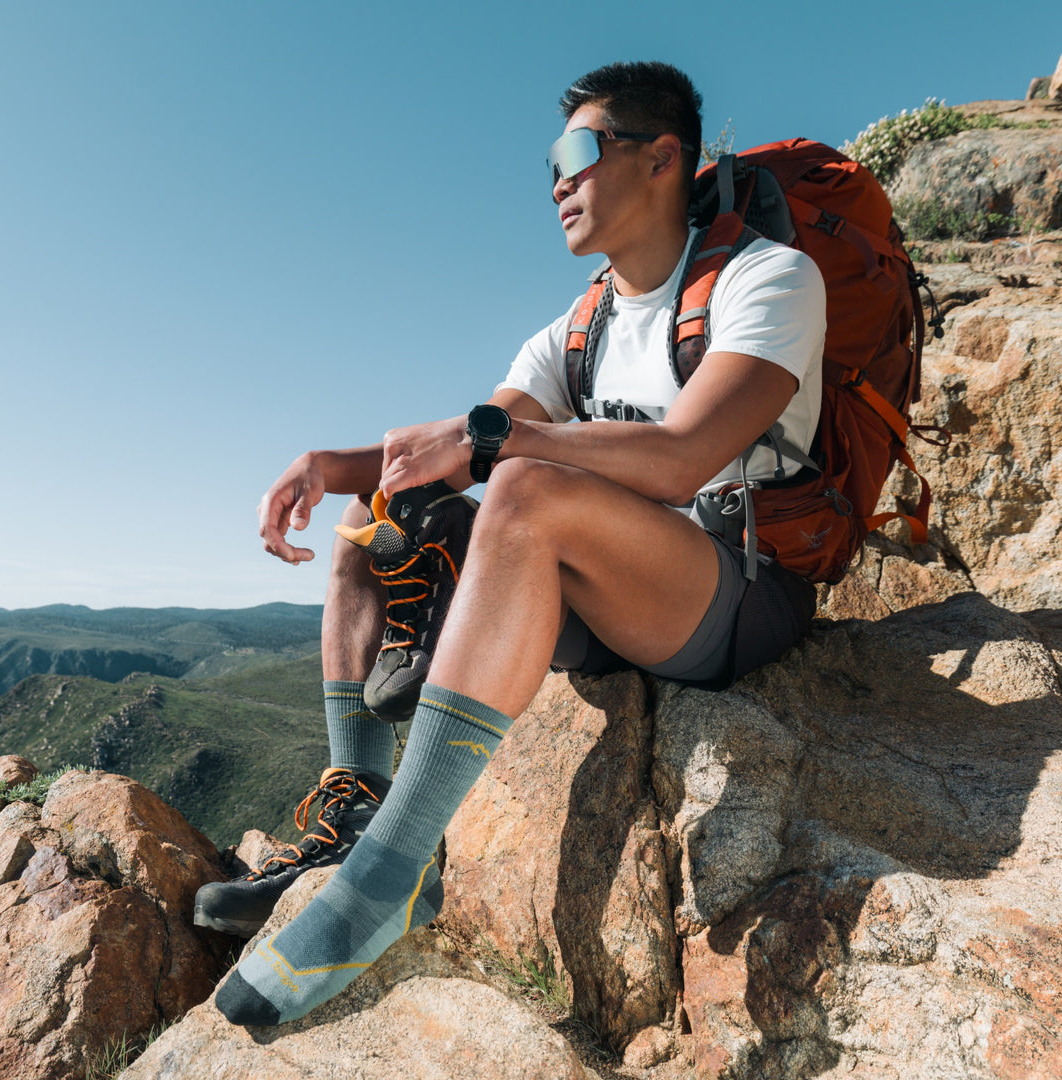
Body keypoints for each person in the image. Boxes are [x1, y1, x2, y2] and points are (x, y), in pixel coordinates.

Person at [205, 60, 826, 1026]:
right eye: (551, 162)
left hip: (737, 590)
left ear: (663, 156)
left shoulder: (768, 281)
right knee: (378, 523)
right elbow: (455, 448)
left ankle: (393, 874)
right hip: (609, 590)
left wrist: (501, 442)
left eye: (580, 153)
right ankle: (356, 812)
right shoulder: (579, 327)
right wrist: (330, 467)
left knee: (526, 488)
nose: (557, 183)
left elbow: (679, 457)